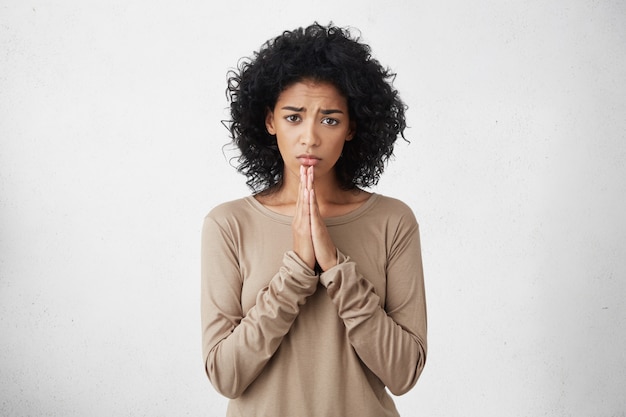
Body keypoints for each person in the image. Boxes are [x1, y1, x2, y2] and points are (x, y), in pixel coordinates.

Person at [201, 22, 427, 417]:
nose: (310, 137)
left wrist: (337, 268)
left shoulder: (393, 221)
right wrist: (296, 273)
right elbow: (225, 375)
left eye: (329, 119)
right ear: (269, 122)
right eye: (293, 117)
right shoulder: (228, 224)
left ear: (352, 127)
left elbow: (404, 373)